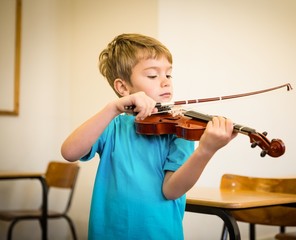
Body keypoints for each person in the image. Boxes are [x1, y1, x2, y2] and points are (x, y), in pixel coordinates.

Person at [61, 33, 237, 240]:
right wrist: (112, 108)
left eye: (169, 75)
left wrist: (206, 151)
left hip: (158, 234)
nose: (165, 82)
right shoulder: (112, 125)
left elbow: (171, 190)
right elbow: (69, 152)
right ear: (123, 87)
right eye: (153, 76)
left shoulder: (178, 129)